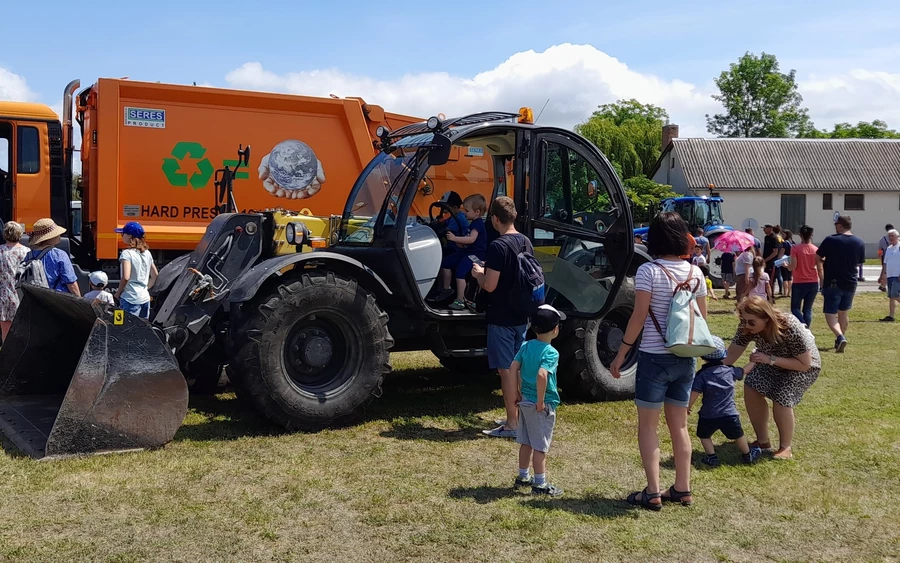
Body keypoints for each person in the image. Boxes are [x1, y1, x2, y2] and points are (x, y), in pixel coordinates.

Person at [611, 211, 707, 511]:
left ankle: (652, 491)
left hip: (654, 357)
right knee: (679, 427)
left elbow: (638, 317)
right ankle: (682, 487)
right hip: (684, 356)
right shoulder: (696, 273)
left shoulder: (648, 272)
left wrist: (621, 354)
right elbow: (702, 317)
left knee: (648, 427)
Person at [724, 297, 821, 461]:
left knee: (782, 396)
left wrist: (770, 359)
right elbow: (732, 353)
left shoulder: (789, 325)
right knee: (751, 386)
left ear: (766, 317)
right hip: (769, 360)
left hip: (802, 365)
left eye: (751, 322)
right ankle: (763, 441)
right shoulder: (747, 326)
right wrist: (713, 369)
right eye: (743, 320)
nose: (746, 325)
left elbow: (805, 364)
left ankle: (785, 447)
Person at [472, 196, 535, 438]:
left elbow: (489, 285)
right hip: (522, 315)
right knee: (517, 368)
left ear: (495, 219)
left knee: (506, 370)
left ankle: (511, 423)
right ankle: (517, 416)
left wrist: (479, 273)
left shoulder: (498, 246)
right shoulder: (525, 242)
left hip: (501, 317)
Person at [511, 304, 564, 497]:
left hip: (524, 401)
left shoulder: (526, 346)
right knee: (540, 445)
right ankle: (540, 483)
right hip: (541, 404)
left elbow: (513, 368)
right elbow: (543, 375)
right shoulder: (551, 352)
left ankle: (523, 476)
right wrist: (541, 401)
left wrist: (517, 392)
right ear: (555, 329)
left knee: (526, 440)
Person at [688, 336, 762, 467]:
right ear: (723, 355)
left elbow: (694, 393)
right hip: (729, 414)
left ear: (703, 357)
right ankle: (747, 454)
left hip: (708, 415)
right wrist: (754, 361)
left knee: (704, 435)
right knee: (738, 435)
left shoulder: (701, 375)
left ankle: (712, 457)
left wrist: (687, 407)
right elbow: (744, 371)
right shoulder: (730, 371)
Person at [816, 215, 865, 353]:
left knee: (830, 313)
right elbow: (859, 261)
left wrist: (823, 267)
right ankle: (840, 340)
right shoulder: (859, 242)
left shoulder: (831, 239)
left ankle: (840, 336)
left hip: (833, 281)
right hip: (850, 281)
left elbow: (818, 256)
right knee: (843, 312)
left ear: (840, 225)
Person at [442, 194, 488, 310]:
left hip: (476, 255)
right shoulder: (472, 223)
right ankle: (446, 290)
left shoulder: (478, 224)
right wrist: (461, 244)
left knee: (460, 272)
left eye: (467, 210)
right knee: (445, 263)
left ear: (477, 212)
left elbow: (472, 239)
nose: (464, 213)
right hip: (467, 251)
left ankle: (460, 300)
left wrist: (454, 238)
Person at [113, 221, 157, 319]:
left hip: (130, 299)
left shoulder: (127, 254)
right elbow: (155, 276)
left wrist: (118, 293)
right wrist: (145, 288)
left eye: (122, 233)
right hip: (145, 299)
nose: (121, 236)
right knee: (142, 330)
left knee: (126, 330)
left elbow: (126, 277)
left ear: (129, 236)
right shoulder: (147, 253)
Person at [27, 218, 80, 296]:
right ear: (49, 237)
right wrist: (79, 301)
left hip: (36, 299)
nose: (59, 235)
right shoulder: (59, 254)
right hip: (57, 300)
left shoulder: (29, 255)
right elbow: (71, 282)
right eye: (56, 234)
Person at [787, 226, 822, 328]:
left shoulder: (795, 249)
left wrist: (787, 266)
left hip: (799, 282)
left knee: (795, 308)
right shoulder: (816, 250)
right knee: (808, 309)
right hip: (813, 281)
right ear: (811, 235)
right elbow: (820, 267)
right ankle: (807, 328)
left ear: (800, 235)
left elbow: (793, 265)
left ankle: (803, 325)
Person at [0, 222, 30, 342]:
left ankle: (6, 356)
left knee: (5, 330)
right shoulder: (27, 252)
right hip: (21, 294)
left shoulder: (0, 251)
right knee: (23, 328)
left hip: (3, 294)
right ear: (20, 234)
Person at [877, 229, 900, 322]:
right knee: (891, 296)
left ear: (897, 237)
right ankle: (891, 315)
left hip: (897, 275)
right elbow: (885, 263)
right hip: (890, 275)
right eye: (889, 236)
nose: (890, 238)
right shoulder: (889, 248)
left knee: (895, 294)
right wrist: (881, 275)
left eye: (892, 236)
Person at [762, 224, 781, 295]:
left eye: (765, 228)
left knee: (771, 279)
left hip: (771, 263)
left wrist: (766, 260)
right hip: (765, 262)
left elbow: (775, 252)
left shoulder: (774, 238)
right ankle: (765, 293)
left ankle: (771, 295)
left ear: (770, 228)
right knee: (765, 278)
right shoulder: (766, 237)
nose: (764, 230)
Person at [878, 223, 894, 292]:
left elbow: (879, 249)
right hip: (894, 255)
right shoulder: (896, 238)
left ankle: (883, 285)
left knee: (885, 271)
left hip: (885, 256)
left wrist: (880, 256)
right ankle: (884, 285)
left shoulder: (883, 239)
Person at [780, 229, 795, 298]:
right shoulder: (793, 242)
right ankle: (789, 292)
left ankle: (785, 293)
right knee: (790, 277)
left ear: (787, 235)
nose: (781, 236)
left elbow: (781, 253)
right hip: (791, 260)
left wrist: (778, 259)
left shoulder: (784, 243)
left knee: (785, 277)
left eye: (783, 234)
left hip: (785, 260)